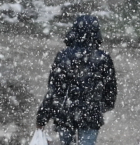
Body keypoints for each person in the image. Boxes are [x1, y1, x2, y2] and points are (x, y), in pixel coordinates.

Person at [37, 15, 117, 145]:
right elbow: (110, 89)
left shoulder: (63, 56)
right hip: (91, 114)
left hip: (65, 114)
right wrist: (103, 106)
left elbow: (54, 90)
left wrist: (43, 116)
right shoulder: (103, 59)